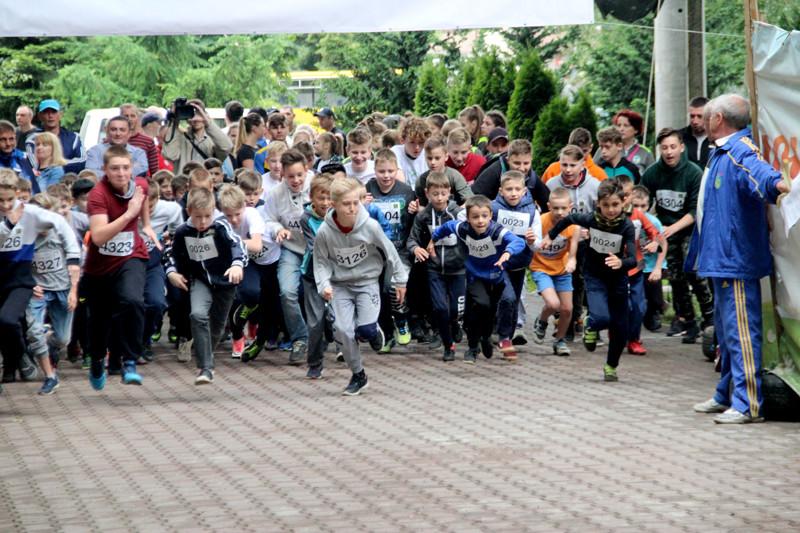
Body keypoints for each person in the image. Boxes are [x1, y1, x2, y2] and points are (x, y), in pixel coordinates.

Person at [689, 94, 790, 424]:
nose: (702, 121)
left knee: (742, 332)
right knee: (726, 332)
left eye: (706, 116)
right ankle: (726, 393)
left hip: (735, 261)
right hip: (720, 259)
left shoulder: (740, 150)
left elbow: (762, 174)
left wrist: (778, 184)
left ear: (718, 119)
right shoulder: (721, 151)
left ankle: (748, 404)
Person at [313, 177, 408, 395]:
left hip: (366, 282)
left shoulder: (370, 226)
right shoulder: (325, 232)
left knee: (365, 329)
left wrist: (400, 280)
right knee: (343, 331)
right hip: (339, 285)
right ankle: (358, 374)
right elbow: (320, 262)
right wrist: (324, 285)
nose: (352, 208)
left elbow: (390, 251)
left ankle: (372, 331)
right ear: (334, 204)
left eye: (356, 202)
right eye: (346, 204)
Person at [541, 180, 637, 382]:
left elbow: (633, 259)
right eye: (606, 205)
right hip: (595, 277)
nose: (611, 210)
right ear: (598, 204)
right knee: (602, 318)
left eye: (615, 205)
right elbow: (569, 219)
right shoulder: (591, 219)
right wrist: (550, 236)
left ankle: (611, 366)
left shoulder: (626, 226)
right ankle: (590, 324)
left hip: (618, 280)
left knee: (621, 328)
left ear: (623, 203)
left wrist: (621, 262)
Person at [0, 170, 79, 390]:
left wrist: (73, 260)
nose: (5, 205)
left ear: (17, 193)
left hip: (20, 280)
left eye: (9, 199)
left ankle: (31, 363)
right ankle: (18, 360)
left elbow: (62, 225)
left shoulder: (30, 213)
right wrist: (8, 224)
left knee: (7, 320)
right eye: (0, 200)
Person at [430, 195, 525, 364]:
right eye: (475, 217)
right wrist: (433, 240)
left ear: (490, 216)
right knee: (481, 305)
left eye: (484, 216)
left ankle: (486, 337)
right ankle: (472, 348)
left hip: (496, 277)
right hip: (475, 276)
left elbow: (518, 241)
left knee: (492, 310)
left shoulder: (496, 231)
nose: (480, 221)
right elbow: (446, 227)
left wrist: (507, 252)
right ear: (468, 218)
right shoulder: (463, 229)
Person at [166, 187, 246, 385]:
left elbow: (237, 245)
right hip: (200, 281)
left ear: (213, 211)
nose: (202, 222)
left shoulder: (220, 227)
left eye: (207, 216)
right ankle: (205, 368)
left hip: (225, 283)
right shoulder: (183, 231)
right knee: (197, 315)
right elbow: (171, 254)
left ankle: (206, 358)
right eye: (197, 217)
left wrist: (237, 265)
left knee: (216, 328)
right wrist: (172, 272)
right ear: (189, 212)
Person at [641, 128, 713, 343]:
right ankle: (688, 321)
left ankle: (710, 318)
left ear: (681, 147)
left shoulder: (693, 173)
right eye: (664, 148)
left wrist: (673, 228)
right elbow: (642, 202)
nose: (669, 152)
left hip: (690, 230)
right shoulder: (652, 174)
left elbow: (695, 210)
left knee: (695, 274)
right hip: (665, 232)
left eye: (673, 147)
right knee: (675, 277)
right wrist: (651, 228)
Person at [23, 192, 81, 395]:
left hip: (63, 288)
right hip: (38, 291)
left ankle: (43, 345)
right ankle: (50, 377)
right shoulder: (23, 236)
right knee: (35, 332)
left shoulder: (62, 234)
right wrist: (29, 283)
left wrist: (73, 291)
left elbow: (75, 263)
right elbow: (14, 264)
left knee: (63, 338)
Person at [407, 171, 466, 362]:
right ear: (427, 193)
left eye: (443, 193)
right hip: (435, 270)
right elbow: (412, 240)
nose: (439, 198)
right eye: (435, 194)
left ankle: (455, 323)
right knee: (440, 308)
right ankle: (449, 346)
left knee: (455, 310)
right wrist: (416, 249)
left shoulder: (457, 213)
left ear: (449, 192)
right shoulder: (423, 216)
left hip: (458, 269)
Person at [546, 145, 602, 341]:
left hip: (586, 242)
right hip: (560, 242)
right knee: (561, 280)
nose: (568, 170)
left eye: (572, 165)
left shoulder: (594, 185)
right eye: (564, 165)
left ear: (582, 164)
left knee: (580, 281)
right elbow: (545, 213)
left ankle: (577, 320)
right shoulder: (552, 184)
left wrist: (591, 231)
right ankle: (563, 320)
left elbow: (601, 215)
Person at [364, 149, 416, 349]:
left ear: (396, 170)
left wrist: (414, 211)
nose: (386, 176)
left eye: (390, 171)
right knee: (380, 292)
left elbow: (414, 222)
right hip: (375, 252)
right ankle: (387, 334)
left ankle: (401, 321)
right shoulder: (367, 189)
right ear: (374, 171)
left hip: (399, 250)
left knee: (394, 287)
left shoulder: (406, 191)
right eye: (381, 171)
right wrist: (362, 204)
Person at [262, 149, 310, 364]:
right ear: (283, 174)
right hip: (291, 249)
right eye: (291, 176)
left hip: (316, 248)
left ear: (306, 170)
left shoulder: (316, 187)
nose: (296, 180)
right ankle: (300, 338)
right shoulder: (275, 194)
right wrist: (277, 229)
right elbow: (268, 219)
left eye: (300, 175)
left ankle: (337, 337)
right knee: (287, 291)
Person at [490, 170, 541, 361]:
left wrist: (532, 241)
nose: (513, 193)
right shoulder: (493, 209)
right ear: (501, 191)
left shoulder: (532, 212)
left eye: (517, 189)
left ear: (524, 191)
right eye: (509, 189)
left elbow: (537, 244)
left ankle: (507, 336)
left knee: (513, 303)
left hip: (519, 265)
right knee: (508, 298)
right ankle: (503, 338)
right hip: (498, 264)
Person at [616, 175, 666, 356]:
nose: (624, 198)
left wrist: (654, 242)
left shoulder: (638, 216)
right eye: (621, 195)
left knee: (639, 306)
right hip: (615, 268)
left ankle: (634, 340)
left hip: (636, 268)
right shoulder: (608, 215)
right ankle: (618, 334)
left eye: (628, 194)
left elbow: (655, 233)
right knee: (622, 306)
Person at [530, 187, 580, 355]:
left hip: (561, 269)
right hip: (541, 267)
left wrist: (572, 261)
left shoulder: (573, 226)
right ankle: (542, 321)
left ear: (570, 207)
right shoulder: (540, 221)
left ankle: (559, 340)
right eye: (556, 208)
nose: (560, 212)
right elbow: (532, 243)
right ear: (549, 206)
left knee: (567, 309)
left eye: (563, 208)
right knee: (553, 304)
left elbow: (573, 251)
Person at [300, 174, 333, 378]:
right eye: (321, 198)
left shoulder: (339, 216)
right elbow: (315, 247)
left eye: (330, 198)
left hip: (336, 275)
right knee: (315, 322)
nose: (326, 203)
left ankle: (331, 335)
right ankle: (314, 363)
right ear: (312, 198)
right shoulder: (306, 219)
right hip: (312, 276)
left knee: (334, 319)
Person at [471, 139, 550, 212]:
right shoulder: (494, 172)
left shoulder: (532, 178)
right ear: (508, 160)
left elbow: (548, 204)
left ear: (531, 161)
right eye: (517, 163)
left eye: (526, 163)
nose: (522, 168)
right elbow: (474, 197)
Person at [630, 185, 667, 332]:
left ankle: (652, 313)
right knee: (637, 298)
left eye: (643, 206)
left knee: (655, 300)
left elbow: (663, 244)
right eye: (635, 206)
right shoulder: (628, 220)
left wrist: (658, 268)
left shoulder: (654, 222)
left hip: (652, 265)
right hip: (636, 265)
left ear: (649, 205)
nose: (639, 210)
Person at [162, 99, 233, 175]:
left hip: (206, 181)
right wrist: (174, 120)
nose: (196, 119)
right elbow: (170, 155)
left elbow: (227, 147)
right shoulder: (180, 138)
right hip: (185, 181)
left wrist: (207, 122)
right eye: (192, 114)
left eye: (199, 113)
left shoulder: (213, 141)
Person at [25, 99, 86, 174]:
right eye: (46, 112)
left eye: (54, 112)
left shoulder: (74, 138)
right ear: (40, 116)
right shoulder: (32, 139)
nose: (50, 116)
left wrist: (53, 166)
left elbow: (82, 161)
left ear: (60, 114)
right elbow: (34, 165)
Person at [414, 136, 473, 207]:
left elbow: (470, 201)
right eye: (429, 158)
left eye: (437, 158)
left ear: (446, 157)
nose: (433, 162)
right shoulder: (421, 181)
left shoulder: (454, 176)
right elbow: (422, 206)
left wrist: (457, 211)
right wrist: (416, 208)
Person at [542, 128, 608, 184]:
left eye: (584, 151)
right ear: (569, 146)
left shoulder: (599, 174)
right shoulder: (553, 170)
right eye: (576, 152)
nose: (581, 156)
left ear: (591, 147)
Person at [610, 109, 655, 175]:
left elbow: (653, 178)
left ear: (636, 129)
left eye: (626, 125)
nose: (621, 129)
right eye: (619, 125)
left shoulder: (646, 153)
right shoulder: (606, 148)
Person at [391, 117, 432, 189]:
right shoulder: (395, 152)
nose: (417, 147)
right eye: (412, 142)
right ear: (402, 140)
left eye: (421, 142)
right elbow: (399, 181)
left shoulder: (429, 153)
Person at [120, 104, 160, 177]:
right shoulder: (115, 140)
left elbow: (154, 172)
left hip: (140, 181)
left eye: (132, 116)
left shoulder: (148, 141)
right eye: (126, 116)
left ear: (137, 118)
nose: (129, 119)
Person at [681, 96, 711, 168]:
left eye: (700, 116)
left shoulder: (717, 138)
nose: (695, 121)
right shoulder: (679, 137)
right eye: (692, 116)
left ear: (709, 116)